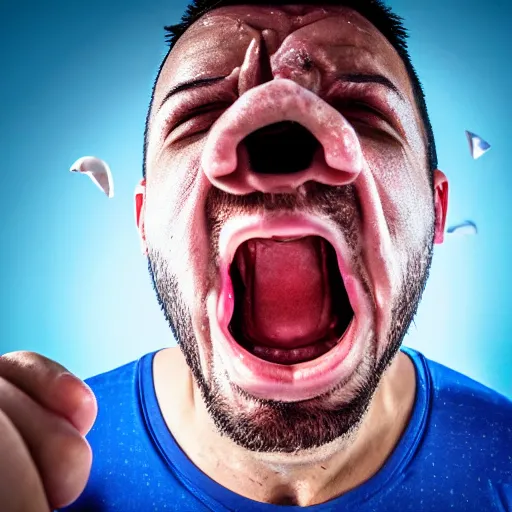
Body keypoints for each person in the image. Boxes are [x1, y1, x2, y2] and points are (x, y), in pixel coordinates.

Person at [0, 0, 510, 510]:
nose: (276, 143)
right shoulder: (46, 477)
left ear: (438, 211)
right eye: (201, 115)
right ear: (144, 221)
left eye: (361, 110)